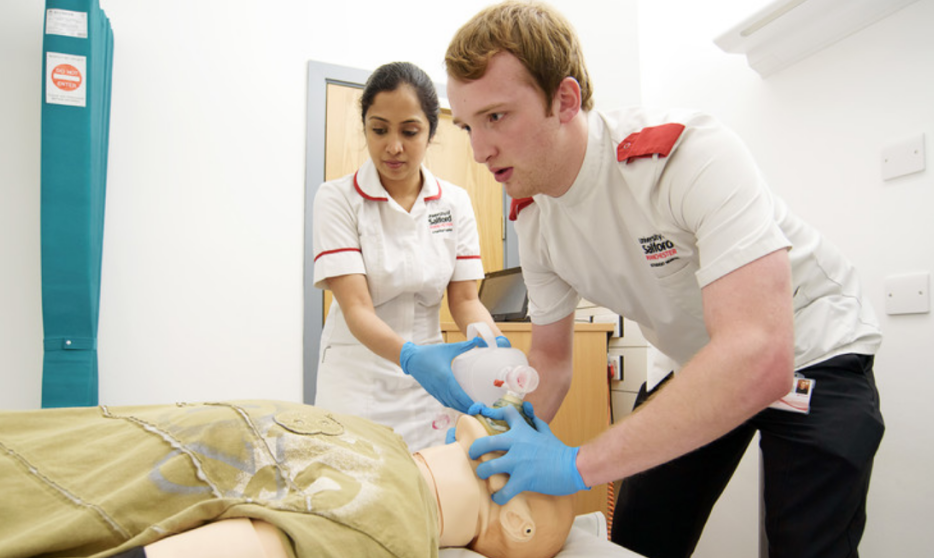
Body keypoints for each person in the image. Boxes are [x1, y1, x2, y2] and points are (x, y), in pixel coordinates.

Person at [443, 2, 885, 557]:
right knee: (642, 532)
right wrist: (496, 439)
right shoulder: (534, 219)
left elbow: (759, 354)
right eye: (467, 125)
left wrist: (573, 463)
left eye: (497, 116)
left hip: (811, 349)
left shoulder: (685, 155)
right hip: (700, 360)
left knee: (805, 545)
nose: (479, 150)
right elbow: (551, 365)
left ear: (565, 100)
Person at [0, 400, 573, 558]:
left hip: (52, 484)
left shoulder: (392, 527)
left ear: (521, 526)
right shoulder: (385, 444)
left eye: (536, 460)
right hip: (89, 440)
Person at [312, 61, 507, 452]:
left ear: (432, 131)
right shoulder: (337, 199)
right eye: (379, 129)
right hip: (358, 374)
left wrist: (496, 346)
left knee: (430, 489)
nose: (393, 146)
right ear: (365, 127)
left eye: (410, 131)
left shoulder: (454, 201)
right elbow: (356, 309)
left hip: (429, 381)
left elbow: (466, 300)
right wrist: (411, 357)